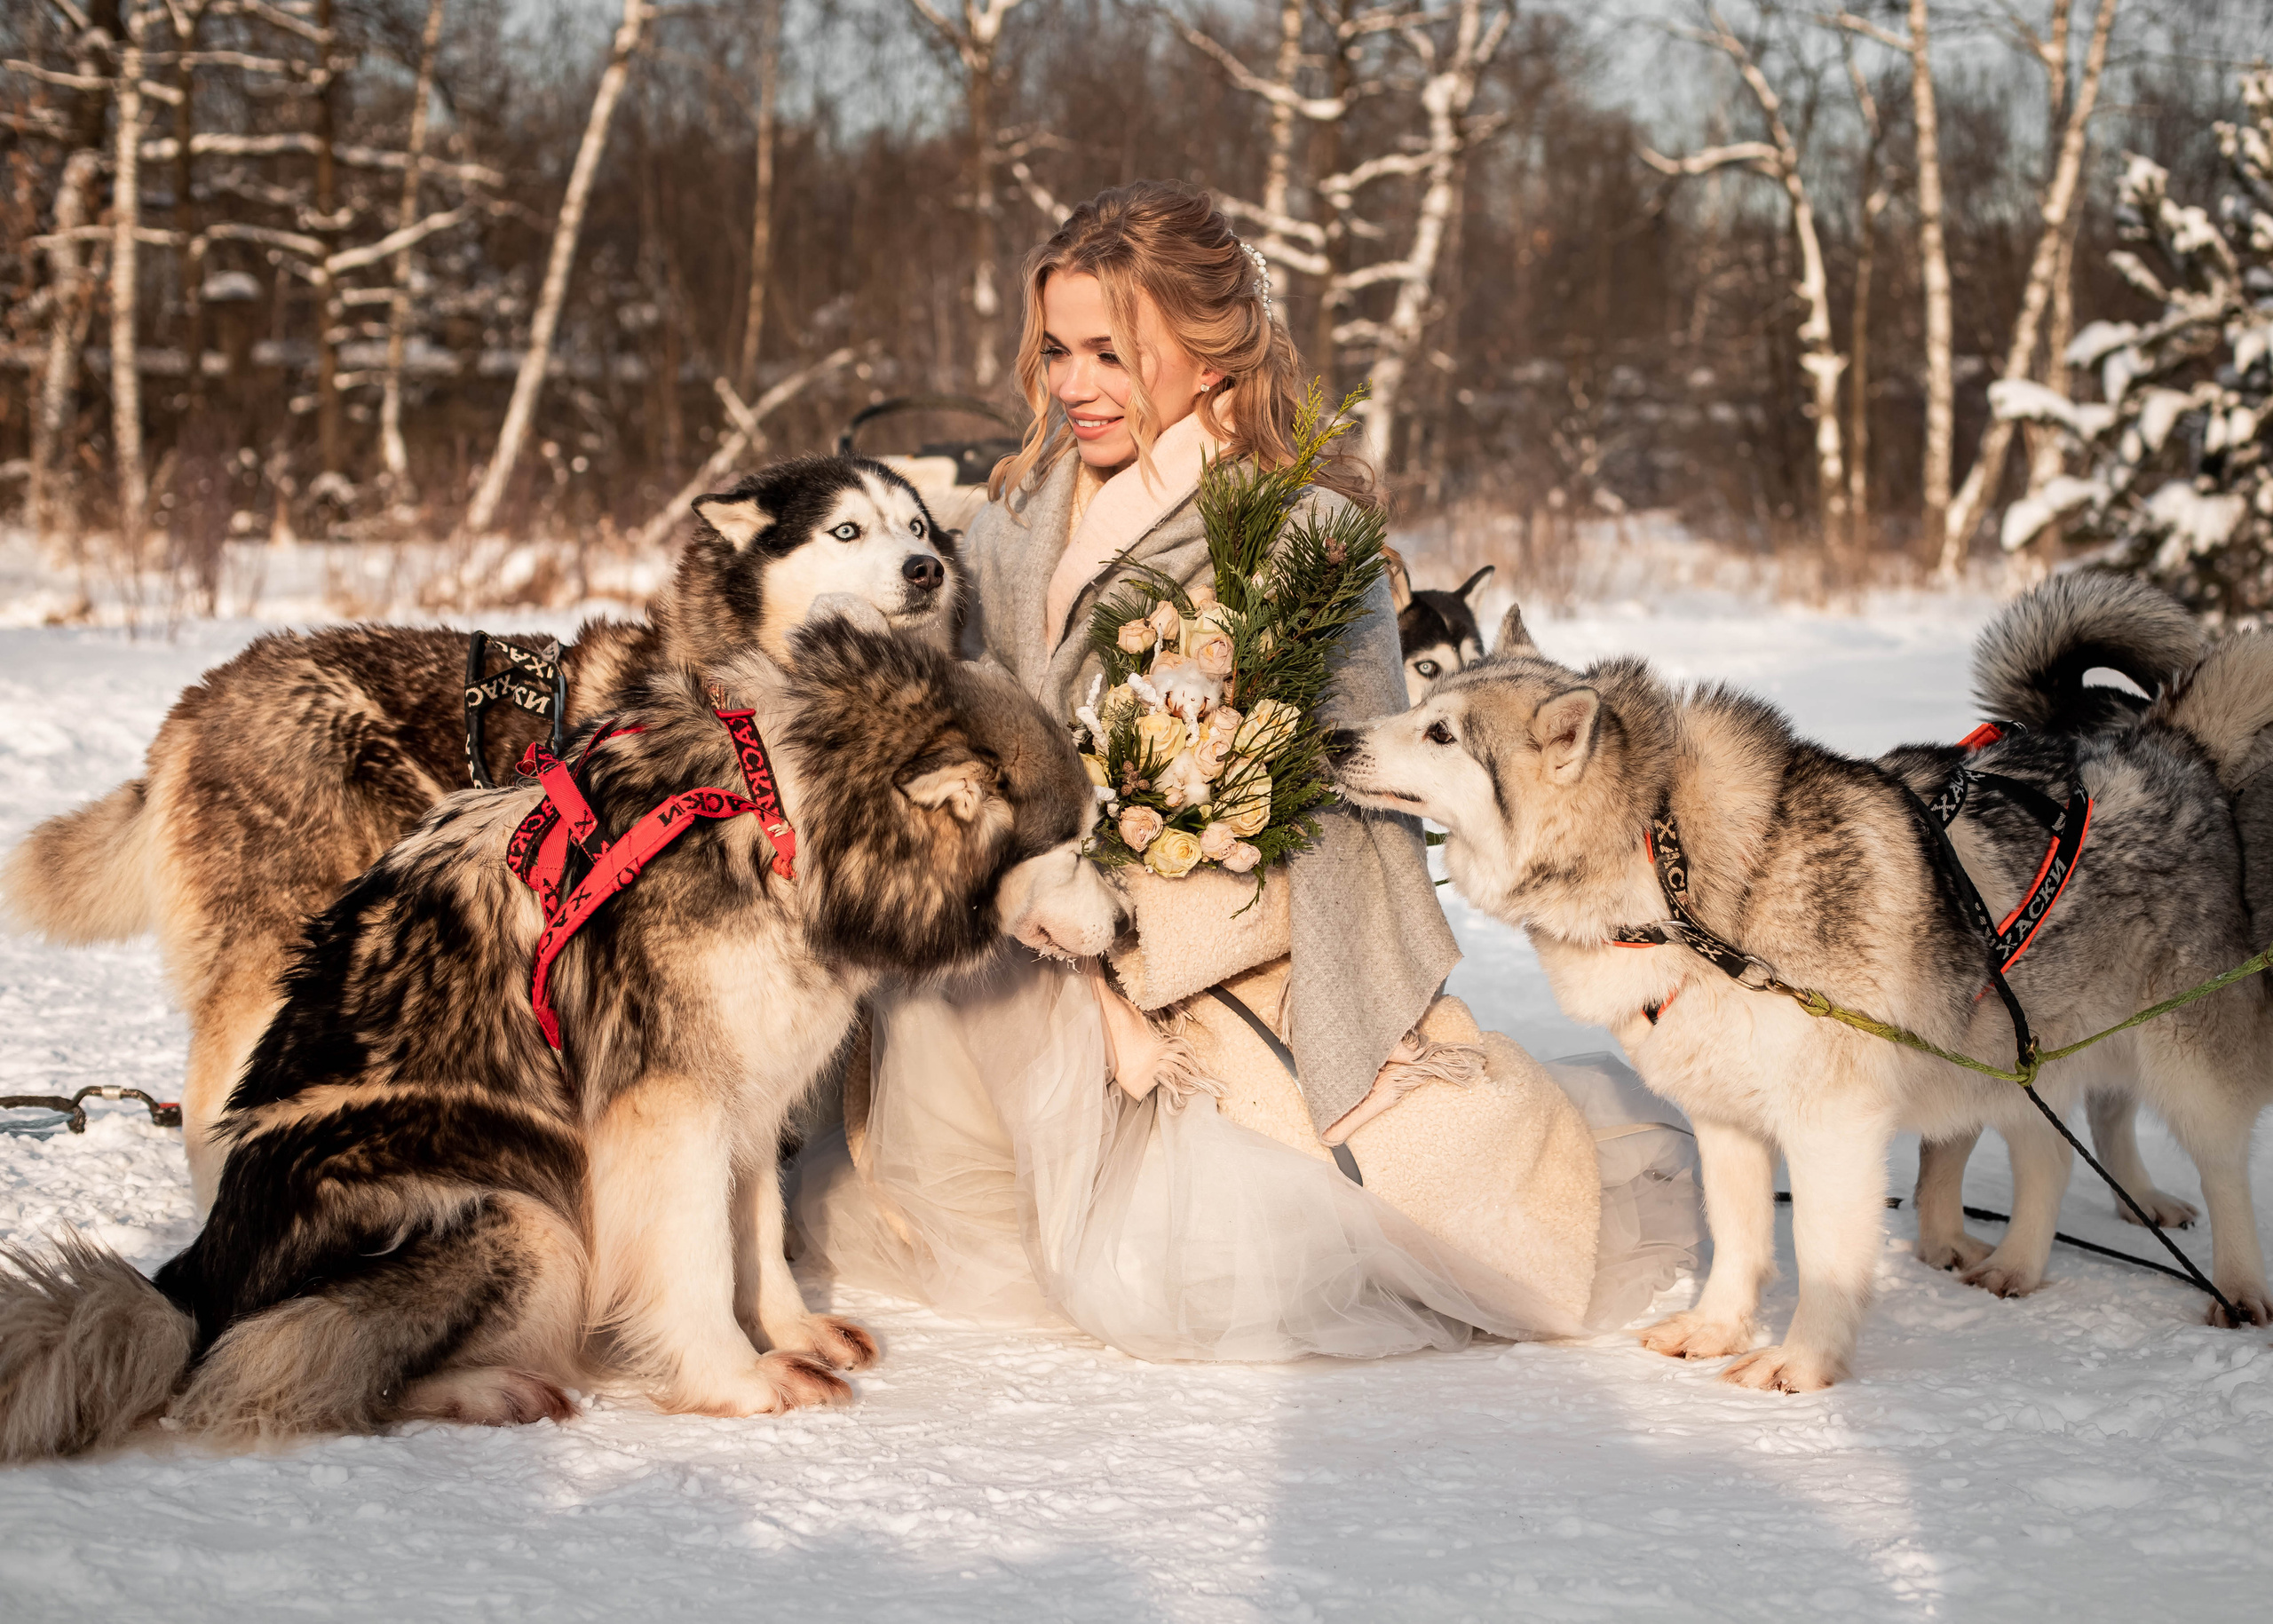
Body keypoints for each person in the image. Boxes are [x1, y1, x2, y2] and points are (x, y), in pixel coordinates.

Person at [794, 182, 1699, 1361]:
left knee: (1179, 1270)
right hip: (1007, 942)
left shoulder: (1301, 540)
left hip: (1205, 979)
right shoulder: (1016, 522)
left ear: (1211, 357)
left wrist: (1128, 925)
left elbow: (1341, 830)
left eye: (1113, 354)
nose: (1072, 385)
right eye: (1057, 350)